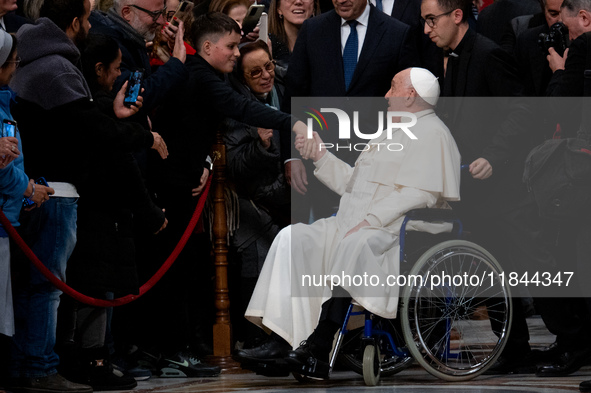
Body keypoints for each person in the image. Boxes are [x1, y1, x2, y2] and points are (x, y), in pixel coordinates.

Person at [236, 67, 461, 380]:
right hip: (354, 222)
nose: (386, 95)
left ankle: (320, 342)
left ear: (410, 95)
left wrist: (371, 219)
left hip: (398, 231)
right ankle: (282, 341)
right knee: (294, 238)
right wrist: (320, 156)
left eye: (393, 87)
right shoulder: (392, 131)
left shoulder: (433, 133)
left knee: (358, 242)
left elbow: (418, 195)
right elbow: (354, 185)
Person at [7, 0, 166, 390]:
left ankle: (36, 365)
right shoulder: (57, 65)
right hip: (54, 189)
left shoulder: (39, 58)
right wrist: (144, 136)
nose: (92, 23)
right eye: (88, 16)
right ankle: (40, 368)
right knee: (45, 288)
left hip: (39, 185)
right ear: (75, 21)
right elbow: (89, 129)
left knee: (39, 286)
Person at [421, 0, 538, 375]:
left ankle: (570, 343)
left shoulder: (488, 54)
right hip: (473, 190)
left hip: (502, 191)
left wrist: (493, 156)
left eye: (431, 20)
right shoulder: (453, 56)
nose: (427, 29)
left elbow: (520, 110)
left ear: (457, 16)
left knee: (524, 269)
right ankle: (514, 349)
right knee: (492, 275)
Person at [54, 32, 168, 391]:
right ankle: (93, 359)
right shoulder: (91, 109)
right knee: (92, 287)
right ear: (99, 69)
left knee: (84, 286)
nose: (119, 76)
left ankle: (86, 356)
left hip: (90, 209)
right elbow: (123, 165)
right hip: (98, 211)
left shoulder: (89, 103)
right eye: (116, 69)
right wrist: (151, 213)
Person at [281, 0, 418, 218]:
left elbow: (406, 105)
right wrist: (292, 156)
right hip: (318, 162)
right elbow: (294, 96)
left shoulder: (397, 33)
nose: (341, 1)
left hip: (375, 165)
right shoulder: (313, 29)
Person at [225, 40, 290, 348]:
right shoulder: (236, 108)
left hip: (290, 193)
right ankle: (254, 339)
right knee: (258, 245)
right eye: (255, 72)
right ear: (242, 78)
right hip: (256, 198)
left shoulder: (287, 91)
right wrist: (261, 146)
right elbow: (235, 163)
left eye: (269, 66)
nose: (266, 75)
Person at [0, 28, 53, 350]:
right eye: (13, 62)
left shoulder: (5, 100)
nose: (16, 68)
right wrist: (26, 189)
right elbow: (3, 166)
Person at [268, 0, 319, 67]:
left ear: (314, 6)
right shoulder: (267, 45)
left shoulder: (327, 44)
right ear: (278, 8)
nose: (298, 2)